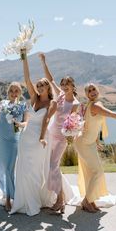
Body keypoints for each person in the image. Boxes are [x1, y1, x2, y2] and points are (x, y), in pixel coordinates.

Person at [75, 83, 116, 213]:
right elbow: (111, 114)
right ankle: (86, 201)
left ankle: (91, 200)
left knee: (92, 172)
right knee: (97, 172)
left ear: (97, 91)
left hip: (89, 142)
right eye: (89, 91)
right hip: (84, 143)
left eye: (94, 89)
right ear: (87, 95)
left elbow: (92, 123)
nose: (92, 92)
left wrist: (97, 140)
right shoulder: (95, 105)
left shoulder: (93, 104)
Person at [10, 49, 57, 216]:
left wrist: (42, 137)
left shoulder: (52, 103)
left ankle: (35, 200)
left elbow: (46, 120)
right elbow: (27, 78)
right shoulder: (34, 98)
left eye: (43, 85)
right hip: (27, 136)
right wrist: (24, 57)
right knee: (23, 168)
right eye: (38, 85)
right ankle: (23, 201)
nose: (39, 87)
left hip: (40, 139)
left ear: (48, 87)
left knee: (35, 170)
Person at [39, 53, 79, 213]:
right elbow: (50, 79)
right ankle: (58, 199)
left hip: (62, 138)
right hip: (50, 134)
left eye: (67, 84)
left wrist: (70, 135)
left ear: (73, 86)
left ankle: (60, 200)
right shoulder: (60, 95)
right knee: (50, 167)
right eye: (63, 84)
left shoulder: (75, 103)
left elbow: (74, 122)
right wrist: (43, 62)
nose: (64, 86)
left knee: (53, 166)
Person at [0, 82, 28, 212]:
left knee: (9, 168)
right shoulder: (2, 103)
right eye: (11, 90)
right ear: (8, 92)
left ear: (20, 93)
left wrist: (19, 124)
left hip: (14, 139)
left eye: (16, 90)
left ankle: (8, 198)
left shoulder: (23, 106)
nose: (14, 93)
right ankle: (4, 191)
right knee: (1, 168)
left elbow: (26, 122)